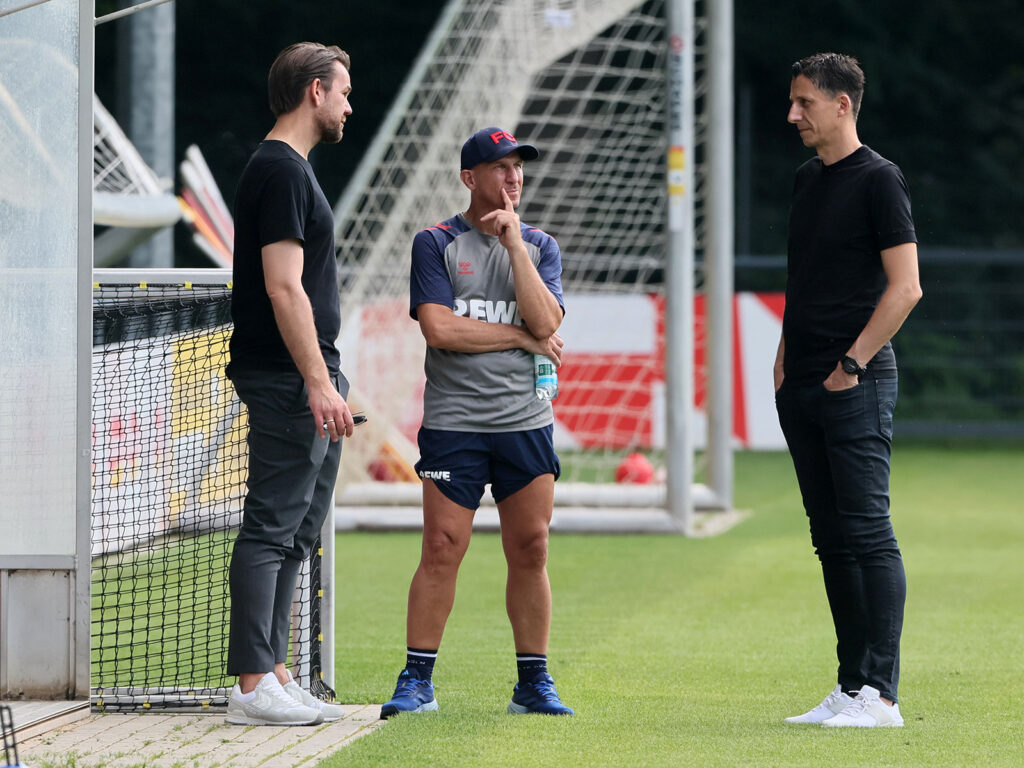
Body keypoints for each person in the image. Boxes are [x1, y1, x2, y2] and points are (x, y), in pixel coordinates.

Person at [379, 127, 572, 718]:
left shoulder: (540, 245)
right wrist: (517, 336)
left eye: (519, 167)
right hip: (454, 423)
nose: (514, 177)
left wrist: (514, 246)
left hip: (526, 423)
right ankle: (417, 681)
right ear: (470, 178)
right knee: (442, 547)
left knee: (532, 548)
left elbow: (549, 321)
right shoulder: (433, 243)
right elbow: (441, 329)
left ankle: (533, 685)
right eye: (501, 167)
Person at [775, 53, 922, 728]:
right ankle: (851, 685)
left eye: (804, 102)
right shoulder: (808, 180)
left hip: (853, 382)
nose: (793, 114)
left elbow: (906, 287)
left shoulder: (879, 180)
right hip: (801, 382)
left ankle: (882, 697)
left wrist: (853, 365)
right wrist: (784, 359)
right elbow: (804, 280)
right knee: (830, 537)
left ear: (842, 105)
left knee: (868, 532)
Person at [223, 42, 358, 727]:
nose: (348, 106)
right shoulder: (278, 171)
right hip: (287, 378)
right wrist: (316, 381)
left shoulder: (294, 170)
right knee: (272, 527)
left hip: (311, 375)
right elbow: (283, 287)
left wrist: (329, 376)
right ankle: (251, 687)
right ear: (313, 93)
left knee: (300, 531)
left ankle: (276, 671)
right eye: (343, 92)